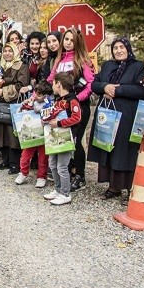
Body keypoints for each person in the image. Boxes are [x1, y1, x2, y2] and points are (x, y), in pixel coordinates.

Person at [89, 37, 144, 200]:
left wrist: (117, 90)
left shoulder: (138, 66)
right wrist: (104, 87)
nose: (119, 50)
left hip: (127, 115)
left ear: (128, 49)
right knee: (108, 148)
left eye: (122, 47)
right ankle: (113, 186)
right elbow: (94, 84)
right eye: (115, 48)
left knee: (125, 151)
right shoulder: (108, 65)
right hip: (107, 114)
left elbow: (141, 90)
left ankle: (129, 187)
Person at [47, 29, 95, 191]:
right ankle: (65, 173)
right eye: (66, 39)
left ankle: (80, 176)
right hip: (61, 106)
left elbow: (90, 84)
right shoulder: (59, 60)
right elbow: (50, 81)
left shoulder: (83, 60)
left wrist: (76, 98)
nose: (67, 42)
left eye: (71, 40)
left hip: (79, 106)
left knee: (76, 140)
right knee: (63, 139)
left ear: (77, 42)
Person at [0, 42, 30, 173]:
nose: (7, 53)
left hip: (14, 103)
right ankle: (5, 161)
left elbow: (21, 84)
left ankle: (14, 164)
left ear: (15, 52)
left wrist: (3, 91)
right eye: (5, 51)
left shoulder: (22, 66)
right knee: (2, 134)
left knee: (13, 135)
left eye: (10, 51)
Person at [42, 72, 82, 205]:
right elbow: (52, 116)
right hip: (54, 138)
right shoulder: (57, 101)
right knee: (52, 164)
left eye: (53, 83)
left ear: (59, 84)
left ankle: (65, 194)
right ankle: (58, 190)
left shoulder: (72, 101)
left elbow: (77, 118)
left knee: (62, 166)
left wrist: (59, 123)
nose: (52, 86)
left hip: (66, 138)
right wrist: (46, 121)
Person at [15, 80, 53, 187]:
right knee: (25, 155)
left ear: (46, 96)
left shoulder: (50, 104)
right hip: (31, 134)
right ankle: (23, 172)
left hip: (44, 134)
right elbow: (20, 112)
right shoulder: (31, 102)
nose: (36, 96)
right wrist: (25, 104)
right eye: (35, 93)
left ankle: (41, 176)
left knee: (43, 157)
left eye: (39, 95)